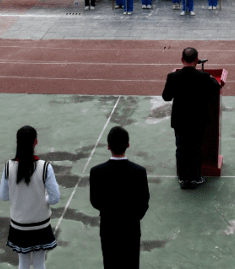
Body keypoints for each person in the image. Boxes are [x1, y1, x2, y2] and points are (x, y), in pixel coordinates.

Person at [89, 126, 150, 269]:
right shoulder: (139, 172)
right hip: (131, 228)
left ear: (108, 146)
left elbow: (95, 201)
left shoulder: (97, 172)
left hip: (108, 228)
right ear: (128, 145)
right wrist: (134, 217)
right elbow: (144, 201)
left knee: (110, 264)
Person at [161, 47, 222, 189]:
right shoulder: (204, 78)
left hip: (180, 120)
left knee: (181, 148)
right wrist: (205, 75)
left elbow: (166, 97)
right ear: (196, 60)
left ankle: (183, 178)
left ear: (182, 60)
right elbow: (215, 87)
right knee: (196, 148)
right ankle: (196, 178)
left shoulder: (173, 77)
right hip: (197, 120)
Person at [0, 126, 59, 269]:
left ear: (17, 142)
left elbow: (4, 196)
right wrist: (42, 200)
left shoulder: (8, 166)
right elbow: (55, 198)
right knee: (40, 263)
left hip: (19, 225)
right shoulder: (45, 167)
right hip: (41, 224)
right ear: (36, 142)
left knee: (23, 263)